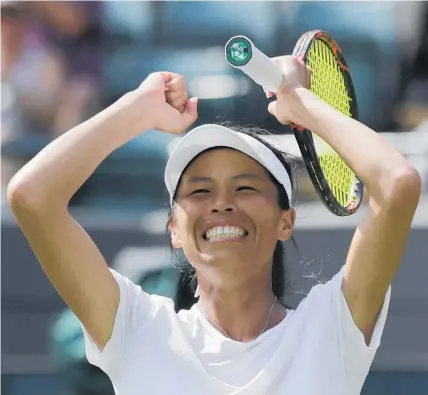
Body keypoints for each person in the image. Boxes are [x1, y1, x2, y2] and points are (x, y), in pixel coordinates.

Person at [7, 57, 421, 395]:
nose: (221, 204)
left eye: (244, 188)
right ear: (174, 229)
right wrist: (136, 110)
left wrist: (302, 105)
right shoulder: (137, 328)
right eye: (200, 192)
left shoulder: (331, 328)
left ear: (286, 221)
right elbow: (32, 195)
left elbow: (398, 183)